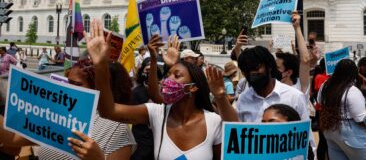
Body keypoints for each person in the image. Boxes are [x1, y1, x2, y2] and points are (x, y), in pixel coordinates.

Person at [84, 20, 222, 160]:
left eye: (177, 76)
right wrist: (101, 66)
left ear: (193, 87)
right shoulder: (157, 113)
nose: (168, 81)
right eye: (168, 75)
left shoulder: (214, 122)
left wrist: (221, 97)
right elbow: (108, 111)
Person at [0, 59, 137, 160]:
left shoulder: (117, 128)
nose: (69, 89)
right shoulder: (57, 114)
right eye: (68, 83)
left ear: (97, 87)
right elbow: (12, 138)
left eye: (76, 85)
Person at [318, 59, 366, 160]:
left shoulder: (325, 85)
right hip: (350, 132)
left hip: (330, 130)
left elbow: (320, 102)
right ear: (354, 73)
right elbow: (360, 119)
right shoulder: (352, 90)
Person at [275, 12, 310, 96]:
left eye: (277, 68)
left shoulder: (299, 88)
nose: (273, 70)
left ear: (289, 72)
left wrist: (297, 28)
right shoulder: (271, 90)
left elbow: (305, 60)